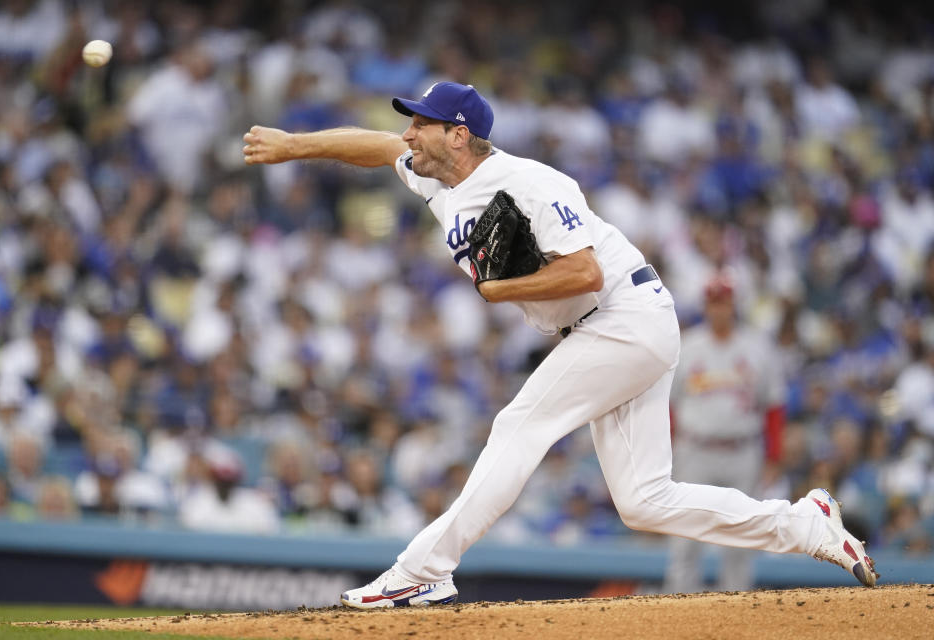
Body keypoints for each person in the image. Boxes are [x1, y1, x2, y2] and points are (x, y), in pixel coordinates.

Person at [242, 81, 878, 608]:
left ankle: (422, 570)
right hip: (610, 327)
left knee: (521, 423)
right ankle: (805, 524)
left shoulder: (530, 183)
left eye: (422, 124)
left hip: (622, 313)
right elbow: (378, 148)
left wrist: (504, 288)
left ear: (458, 135)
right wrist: (295, 145)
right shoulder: (438, 178)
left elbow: (585, 271)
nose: (409, 133)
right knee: (644, 501)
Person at [664, 273, 787, 593]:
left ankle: (737, 618)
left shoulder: (758, 347)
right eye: (714, 302)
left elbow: (774, 407)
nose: (720, 309)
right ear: (706, 306)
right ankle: (679, 615)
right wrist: (665, 451)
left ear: (734, 306)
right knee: (686, 539)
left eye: (725, 302)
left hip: (742, 452)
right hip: (695, 451)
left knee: (741, 540)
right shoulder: (688, 346)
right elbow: (668, 406)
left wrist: (774, 456)